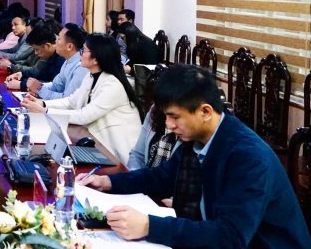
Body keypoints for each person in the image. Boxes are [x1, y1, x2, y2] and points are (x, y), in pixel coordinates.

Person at [79, 65, 311, 248]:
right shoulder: (198, 139)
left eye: (175, 117)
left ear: (205, 111)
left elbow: (230, 237)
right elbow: (162, 177)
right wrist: (108, 182)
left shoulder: (248, 157)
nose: (169, 125)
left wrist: (149, 226)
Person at [22, 33, 142, 164]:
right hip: (96, 142)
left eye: (83, 51)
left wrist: (45, 111)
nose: (80, 54)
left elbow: (84, 116)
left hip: (116, 152)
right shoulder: (91, 76)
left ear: (96, 59)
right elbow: (71, 101)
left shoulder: (113, 85)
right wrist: (43, 103)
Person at [22, 23, 88, 99]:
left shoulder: (81, 66)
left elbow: (67, 99)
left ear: (69, 46)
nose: (55, 41)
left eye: (59, 39)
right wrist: (38, 86)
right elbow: (55, 85)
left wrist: (39, 90)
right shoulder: (68, 61)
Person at [127, 104, 179, 170]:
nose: (168, 124)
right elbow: (138, 155)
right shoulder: (155, 111)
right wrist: (134, 172)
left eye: (175, 117)